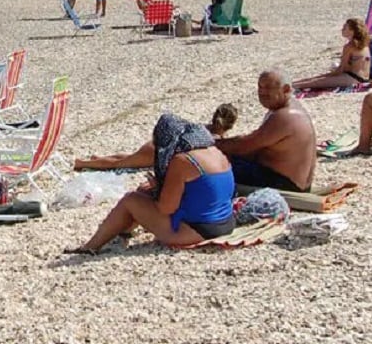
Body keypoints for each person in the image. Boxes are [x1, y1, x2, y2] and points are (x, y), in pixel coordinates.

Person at [69, 114, 235, 253]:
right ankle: (124, 232)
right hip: (226, 223)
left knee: (131, 199)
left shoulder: (182, 161)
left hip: (199, 231)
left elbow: (166, 208)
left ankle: (90, 247)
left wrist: (159, 189)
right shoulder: (215, 152)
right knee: (145, 193)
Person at [215, 70, 316, 192]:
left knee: (213, 163)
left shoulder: (284, 116)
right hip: (295, 182)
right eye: (260, 87)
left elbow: (244, 146)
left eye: (268, 87)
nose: (262, 92)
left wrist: (212, 144)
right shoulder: (290, 109)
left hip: (284, 185)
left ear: (286, 89)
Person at [74, 104, 238, 170]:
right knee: (119, 164)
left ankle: (98, 159)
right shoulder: (215, 141)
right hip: (161, 151)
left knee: (130, 157)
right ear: (230, 125)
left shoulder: (202, 128)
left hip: (159, 142)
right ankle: (83, 163)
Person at [295, 19, 372, 90]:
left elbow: (342, 69)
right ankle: (293, 84)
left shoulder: (350, 46)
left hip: (353, 79)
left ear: (352, 31)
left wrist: (328, 75)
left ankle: (292, 85)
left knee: (315, 82)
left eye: (345, 28)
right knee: (317, 79)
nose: (342, 30)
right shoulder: (364, 44)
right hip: (363, 78)